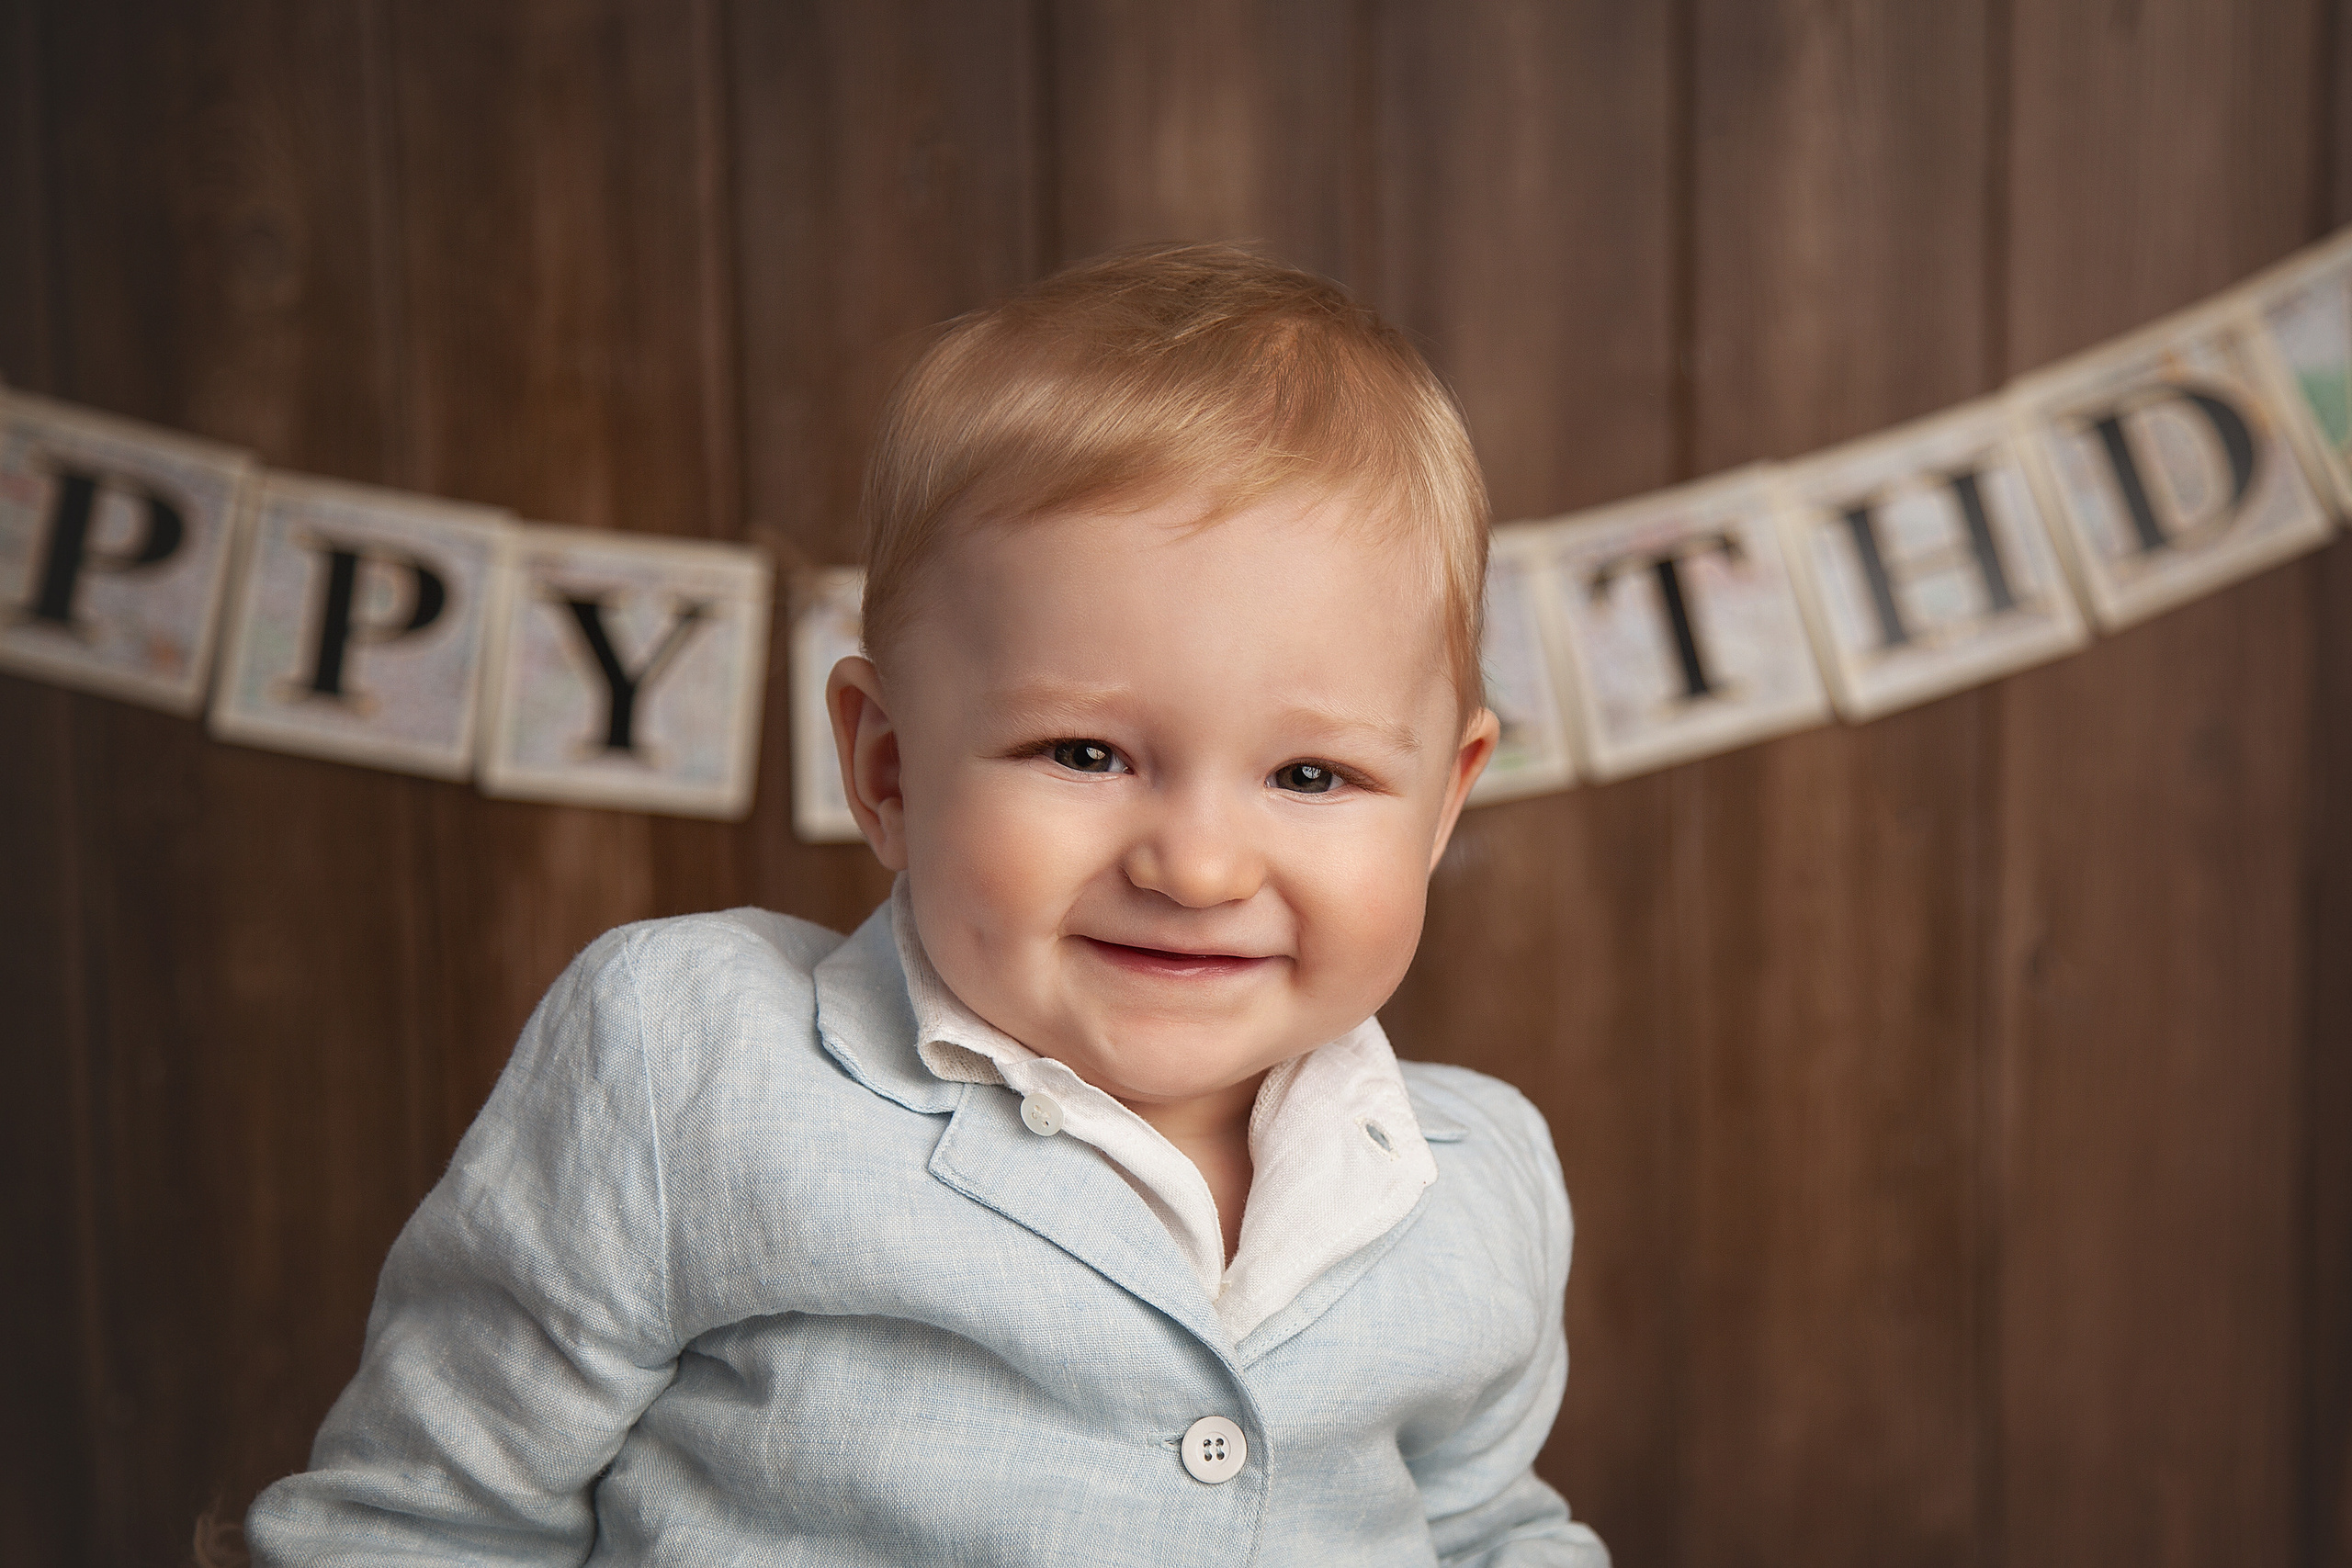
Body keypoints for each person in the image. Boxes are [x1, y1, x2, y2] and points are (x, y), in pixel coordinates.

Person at [245, 243, 1610, 1566]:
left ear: (1444, 801)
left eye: (1311, 774)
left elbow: (1488, 1532)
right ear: (887, 765)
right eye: (1085, 754)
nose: (1197, 869)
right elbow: (423, 1526)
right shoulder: (694, 1061)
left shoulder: (1476, 1175)